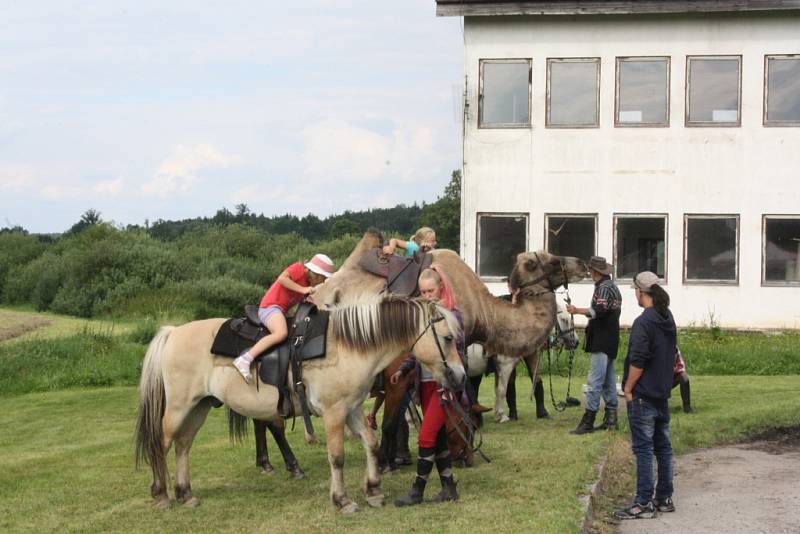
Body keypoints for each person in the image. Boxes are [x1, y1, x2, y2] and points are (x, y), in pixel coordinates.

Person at [392, 266, 465, 506]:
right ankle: (449, 487)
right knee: (439, 436)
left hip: (444, 385)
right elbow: (418, 349)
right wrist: (404, 369)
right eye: (422, 292)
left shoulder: (452, 315)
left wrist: (449, 384)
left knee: (425, 436)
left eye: (431, 290)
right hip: (424, 384)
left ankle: (417, 491)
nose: (427, 296)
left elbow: (456, 352)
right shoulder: (423, 317)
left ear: (441, 288)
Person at [615, 271, 677, 520]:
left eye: (636, 291)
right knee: (663, 447)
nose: (636, 296)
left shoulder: (644, 322)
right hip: (662, 393)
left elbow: (639, 360)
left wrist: (628, 388)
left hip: (643, 395)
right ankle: (664, 498)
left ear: (641, 292)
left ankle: (642, 503)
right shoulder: (667, 317)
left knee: (643, 448)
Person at [232, 254, 335, 383]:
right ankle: (245, 359)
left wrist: (307, 298)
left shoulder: (307, 284)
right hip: (270, 307)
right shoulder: (298, 268)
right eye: (323, 278)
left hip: (281, 311)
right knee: (281, 333)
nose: (323, 281)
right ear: (316, 274)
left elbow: (296, 296)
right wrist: (303, 289)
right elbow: (282, 279)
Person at [566, 256, 622, 434]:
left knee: (595, 381)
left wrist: (577, 310)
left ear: (596, 272)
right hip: (611, 339)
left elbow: (599, 311)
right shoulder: (611, 286)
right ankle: (611, 419)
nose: (590, 273)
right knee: (608, 380)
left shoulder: (604, 288)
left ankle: (588, 420)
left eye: (591, 270)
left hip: (602, 339)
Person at [673, 347, 693, 413]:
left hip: (669, 376)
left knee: (684, 378)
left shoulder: (675, 349)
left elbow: (680, 366)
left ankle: (687, 407)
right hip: (655, 379)